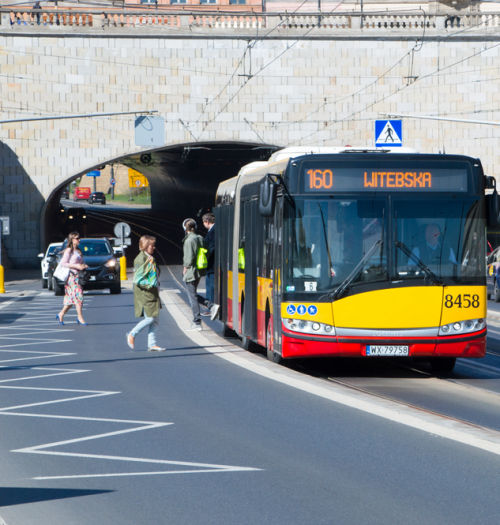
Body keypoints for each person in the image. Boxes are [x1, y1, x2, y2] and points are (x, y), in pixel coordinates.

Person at [127, 235, 165, 352]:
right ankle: (132, 334)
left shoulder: (149, 258)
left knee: (155, 319)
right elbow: (138, 279)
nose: (153, 247)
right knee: (150, 318)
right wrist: (150, 284)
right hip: (145, 293)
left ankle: (152, 344)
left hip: (152, 292)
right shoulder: (140, 259)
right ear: (145, 246)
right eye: (151, 245)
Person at [56, 232, 88, 326]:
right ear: (72, 240)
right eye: (77, 238)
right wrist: (76, 266)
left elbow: (81, 262)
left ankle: (61, 314)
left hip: (78, 276)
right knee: (79, 296)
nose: (79, 240)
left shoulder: (78, 251)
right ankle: (80, 317)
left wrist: (83, 265)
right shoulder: (68, 251)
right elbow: (64, 263)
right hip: (71, 277)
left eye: (79, 238)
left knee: (71, 300)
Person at [182, 218, 207, 331]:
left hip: (191, 270)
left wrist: (185, 268)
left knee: (192, 297)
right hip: (198, 269)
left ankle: (197, 322)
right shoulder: (200, 238)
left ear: (185, 228)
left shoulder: (189, 240)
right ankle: (211, 305)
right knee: (194, 294)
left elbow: (188, 257)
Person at [200, 212, 220, 320]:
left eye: (203, 222)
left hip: (212, 264)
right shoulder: (214, 230)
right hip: (212, 264)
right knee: (210, 285)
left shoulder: (213, 231)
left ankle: (210, 307)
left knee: (210, 286)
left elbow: (211, 247)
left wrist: (206, 258)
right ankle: (210, 306)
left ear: (207, 222)